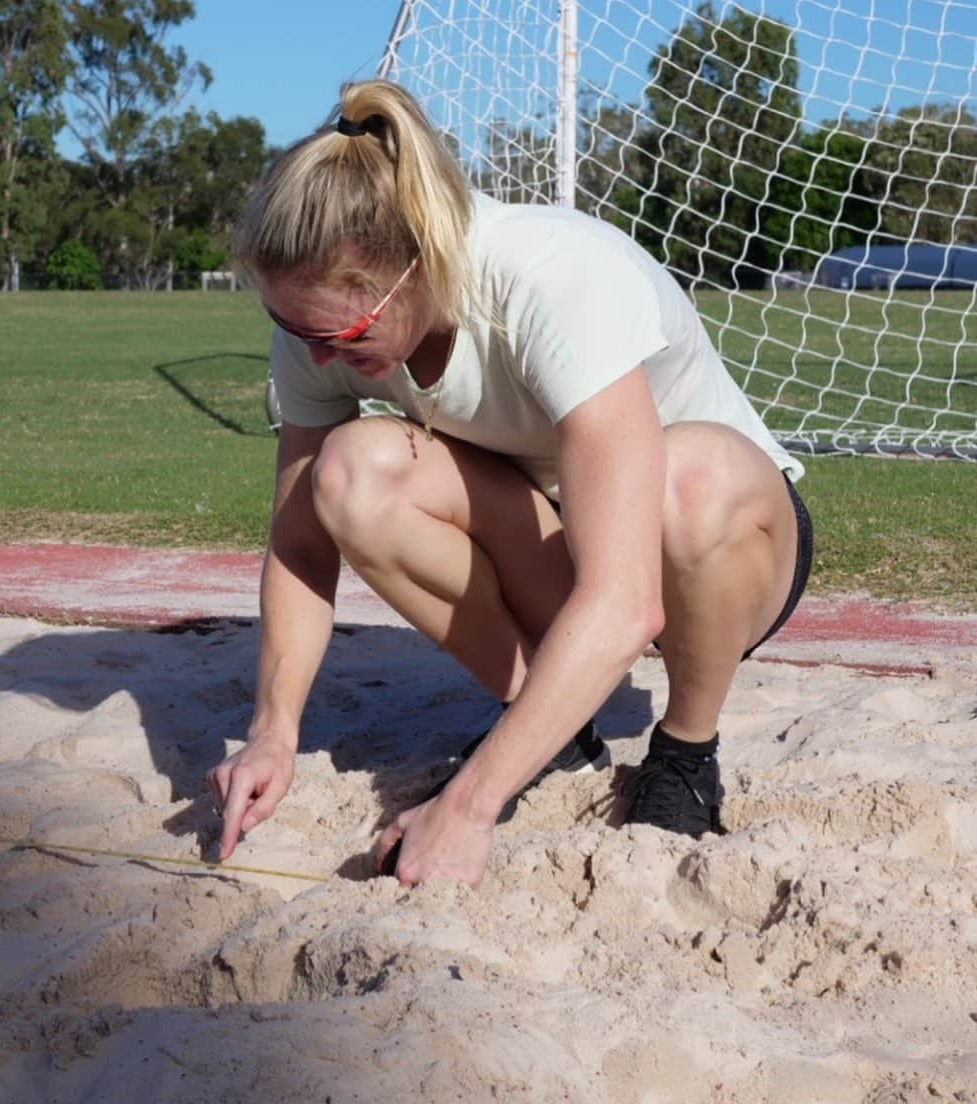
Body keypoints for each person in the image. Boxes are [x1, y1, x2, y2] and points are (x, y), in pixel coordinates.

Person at [207, 79, 814, 889]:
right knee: (349, 473)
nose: (316, 356)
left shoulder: (551, 278)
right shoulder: (319, 325)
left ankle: (687, 749)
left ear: (417, 263)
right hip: (562, 549)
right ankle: (552, 728)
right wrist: (273, 729)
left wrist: (468, 804)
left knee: (686, 479)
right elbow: (299, 538)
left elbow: (628, 598)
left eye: (343, 335)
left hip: (719, 554)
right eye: (293, 328)